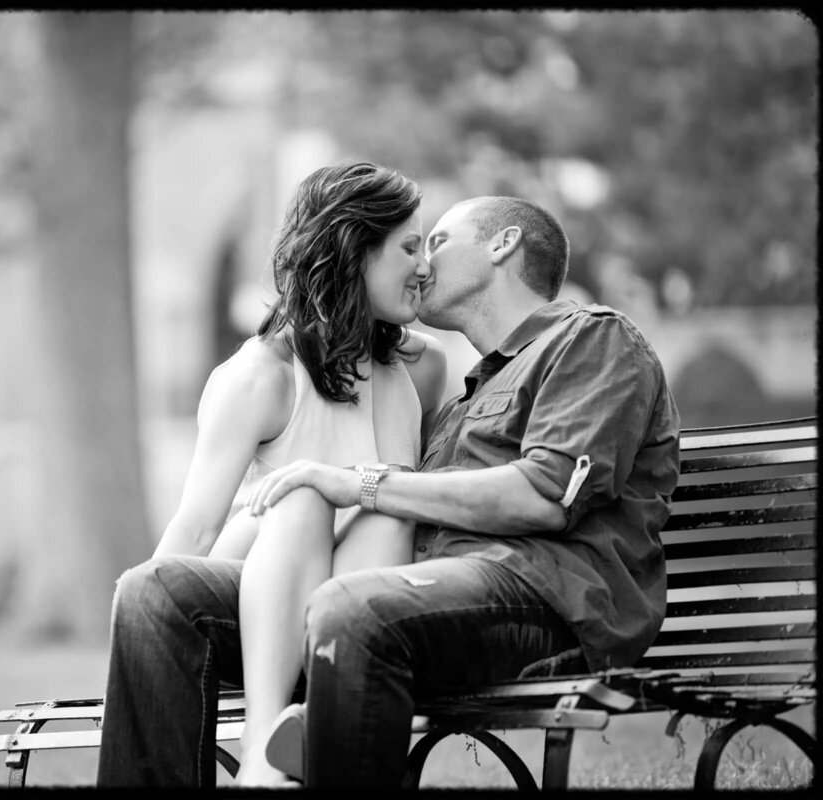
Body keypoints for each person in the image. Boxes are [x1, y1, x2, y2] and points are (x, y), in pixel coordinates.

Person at [96, 194, 680, 788]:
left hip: (540, 599)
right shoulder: (464, 399)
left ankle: (286, 751)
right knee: (156, 593)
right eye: (413, 248)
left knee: (353, 606)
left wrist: (365, 485)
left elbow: (546, 495)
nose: (423, 264)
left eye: (438, 242)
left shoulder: (592, 340)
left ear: (503, 244)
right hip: (417, 596)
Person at [149, 160, 447, 785]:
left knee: (389, 507)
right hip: (255, 585)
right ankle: (264, 751)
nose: (426, 266)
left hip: (351, 601)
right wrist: (142, 638)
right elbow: (197, 529)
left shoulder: (421, 368)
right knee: (307, 496)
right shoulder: (261, 376)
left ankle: (317, 721)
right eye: (410, 247)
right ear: (353, 252)